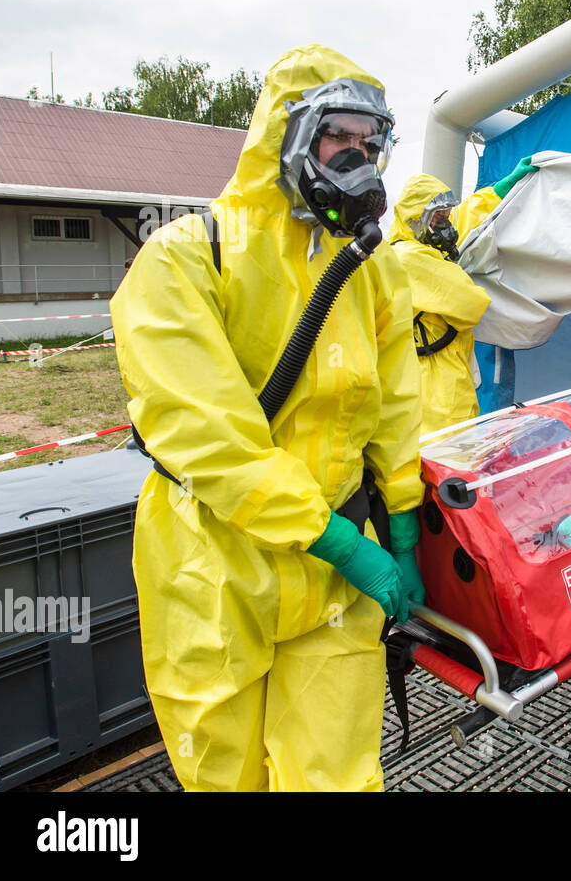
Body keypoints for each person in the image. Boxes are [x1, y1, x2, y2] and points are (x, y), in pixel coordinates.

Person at [111, 44, 424, 791]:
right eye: (337, 138)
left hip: (340, 570)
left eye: (369, 144)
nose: (358, 159)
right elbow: (207, 437)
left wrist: (404, 522)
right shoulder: (186, 258)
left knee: (339, 775)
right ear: (287, 136)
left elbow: (396, 400)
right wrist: (339, 543)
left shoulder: (370, 269)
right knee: (227, 777)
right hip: (216, 567)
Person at [385, 166, 532, 437]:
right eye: (438, 218)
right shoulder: (410, 257)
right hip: (431, 390)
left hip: (447, 380)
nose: (446, 224)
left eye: (446, 216)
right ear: (416, 219)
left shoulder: (423, 249)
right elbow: (470, 304)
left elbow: (466, 218)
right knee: (445, 461)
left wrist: (499, 191)